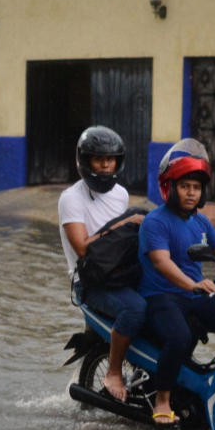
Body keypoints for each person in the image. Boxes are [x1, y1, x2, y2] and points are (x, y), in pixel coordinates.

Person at [138, 139, 215, 425]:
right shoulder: (155, 221)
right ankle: (162, 401)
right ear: (171, 187)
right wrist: (191, 284)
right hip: (161, 296)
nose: (191, 193)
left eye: (196, 188)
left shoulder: (200, 222)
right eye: (185, 186)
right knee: (179, 338)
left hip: (194, 295)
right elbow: (162, 262)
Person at [58, 126, 146, 401]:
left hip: (118, 273)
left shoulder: (120, 194)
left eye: (111, 159)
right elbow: (83, 248)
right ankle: (113, 372)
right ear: (85, 161)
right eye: (99, 159)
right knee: (135, 309)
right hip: (89, 281)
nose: (106, 166)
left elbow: (120, 243)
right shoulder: (71, 199)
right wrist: (125, 222)